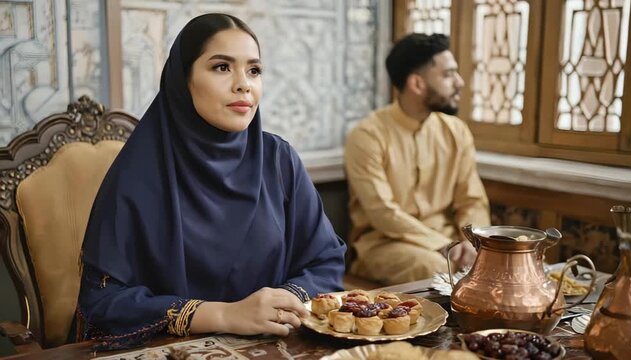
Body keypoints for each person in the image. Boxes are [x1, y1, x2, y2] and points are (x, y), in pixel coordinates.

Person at [73, 13, 346, 349]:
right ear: (182, 79)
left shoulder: (278, 160)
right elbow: (103, 301)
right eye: (222, 67)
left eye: (254, 70)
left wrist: (282, 301)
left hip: (275, 345)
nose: (243, 83)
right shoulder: (139, 173)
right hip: (172, 351)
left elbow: (324, 259)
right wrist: (223, 315)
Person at [343, 33, 490, 286]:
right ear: (417, 84)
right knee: (435, 268)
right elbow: (383, 213)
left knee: (501, 260)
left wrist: (471, 242)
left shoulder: (456, 131)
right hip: (385, 245)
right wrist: (445, 246)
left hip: (452, 245)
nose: (460, 82)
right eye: (448, 75)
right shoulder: (367, 136)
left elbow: (472, 200)